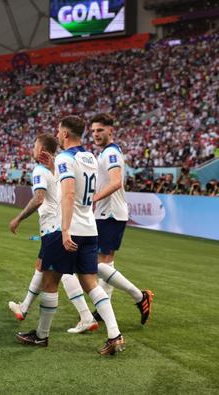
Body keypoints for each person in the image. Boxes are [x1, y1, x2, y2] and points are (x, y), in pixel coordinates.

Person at [15, 116, 125, 356]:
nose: (57, 134)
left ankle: (41, 336)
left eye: (58, 131)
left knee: (50, 280)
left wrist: (64, 230)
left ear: (64, 134)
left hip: (68, 228)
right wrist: (55, 165)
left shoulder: (66, 158)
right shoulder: (90, 157)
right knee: (91, 284)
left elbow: (67, 194)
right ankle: (114, 334)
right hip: (89, 227)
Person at [7, 134, 98, 334]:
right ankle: (24, 308)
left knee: (57, 274)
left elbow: (39, 198)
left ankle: (73, 320)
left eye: (34, 145)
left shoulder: (41, 169)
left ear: (41, 149)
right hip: (65, 225)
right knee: (43, 267)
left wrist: (19, 218)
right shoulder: (59, 167)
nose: (31, 149)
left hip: (54, 228)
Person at [90, 113, 153, 325]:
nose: (96, 134)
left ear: (111, 130)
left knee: (98, 263)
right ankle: (102, 308)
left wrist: (94, 199)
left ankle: (138, 296)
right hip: (108, 213)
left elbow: (116, 182)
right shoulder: (105, 153)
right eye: (93, 131)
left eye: (100, 130)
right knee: (105, 263)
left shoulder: (111, 153)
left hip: (110, 213)